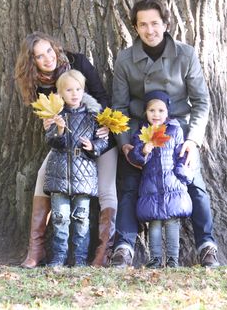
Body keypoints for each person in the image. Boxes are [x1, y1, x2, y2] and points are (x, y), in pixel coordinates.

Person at [111, 0, 219, 268]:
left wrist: (192, 140)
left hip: (177, 131)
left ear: (166, 23)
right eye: (143, 24)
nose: (150, 30)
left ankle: (206, 246)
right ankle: (123, 247)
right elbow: (120, 106)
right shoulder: (125, 59)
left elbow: (202, 102)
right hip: (140, 130)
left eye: (155, 23)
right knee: (129, 185)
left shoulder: (185, 54)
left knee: (194, 183)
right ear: (135, 27)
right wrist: (125, 143)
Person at [15, 31, 118, 268]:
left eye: (49, 51)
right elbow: (48, 117)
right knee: (43, 178)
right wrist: (50, 123)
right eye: (39, 56)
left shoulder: (78, 62)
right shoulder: (38, 86)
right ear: (32, 62)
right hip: (66, 146)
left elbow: (101, 95)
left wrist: (105, 124)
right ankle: (36, 249)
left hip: (98, 137)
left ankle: (104, 253)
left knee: (107, 188)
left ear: (55, 47)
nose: (48, 58)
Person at [43, 70, 108, 266]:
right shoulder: (55, 116)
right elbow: (51, 141)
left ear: (83, 90)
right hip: (59, 173)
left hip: (84, 174)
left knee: (82, 219)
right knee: (60, 218)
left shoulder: (93, 116)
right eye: (69, 90)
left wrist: (93, 146)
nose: (74, 93)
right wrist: (60, 129)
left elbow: (102, 141)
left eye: (78, 89)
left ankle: (80, 259)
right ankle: (59, 257)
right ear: (60, 93)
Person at [128, 90, 193, 268]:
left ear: (167, 112)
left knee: (172, 222)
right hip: (151, 186)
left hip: (172, 183)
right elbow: (135, 156)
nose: (156, 115)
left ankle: (172, 259)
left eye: (161, 110)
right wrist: (144, 150)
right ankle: (155, 258)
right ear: (145, 113)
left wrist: (184, 177)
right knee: (154, 222)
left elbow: (182, 155)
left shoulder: (174, 129)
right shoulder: (142, 132)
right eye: (152, 111)